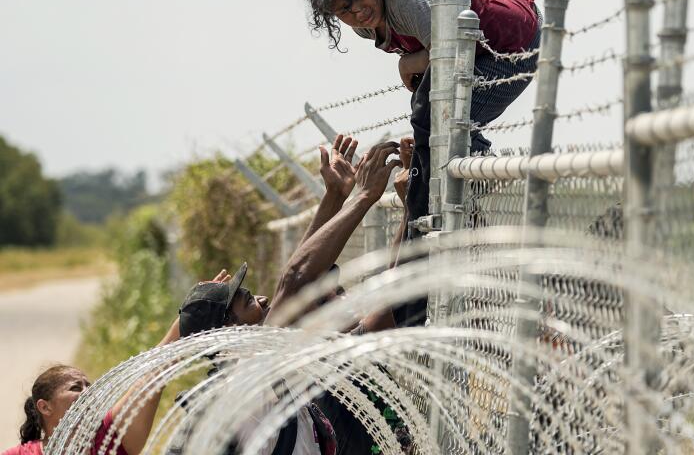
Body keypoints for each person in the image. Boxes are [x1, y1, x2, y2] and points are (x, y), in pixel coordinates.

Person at [301, 0, 542, 241]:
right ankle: (449, 200)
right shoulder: (366, 26)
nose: (358, 12)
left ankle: (463, 186)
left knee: (438, 121)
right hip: (476, 48)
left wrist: (407, 64)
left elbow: (451, 50)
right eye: (344, 10)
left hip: (515, 39)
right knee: (429, 117)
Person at [176, 137, 403, 455]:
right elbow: (296, 280)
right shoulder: (250, 374)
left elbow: (299, 281)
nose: (265, 300)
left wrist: (335, 197)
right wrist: (363, 197)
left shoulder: (244, 378)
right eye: (248, 301)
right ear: (231, 329)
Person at [2, 311, 185, 455]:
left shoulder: (109, 439)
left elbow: (152, 375)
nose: (88, 393)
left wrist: (190, 314)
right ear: (45, 407)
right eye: (75, 388)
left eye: (88, 386)